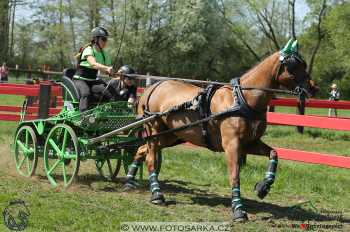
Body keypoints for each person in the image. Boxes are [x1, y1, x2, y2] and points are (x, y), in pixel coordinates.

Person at [73, 26, 115, 111]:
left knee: (108, 91)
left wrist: (111, 72)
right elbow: (93, 64)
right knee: (86, 93)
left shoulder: (104, 54)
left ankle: (109, 112)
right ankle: (84, 117)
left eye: (106, 40)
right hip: (80, 80)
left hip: (92, 81)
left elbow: (106, 70)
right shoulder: (88, 50)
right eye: (103, 39)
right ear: (95, 39)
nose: (105, 42)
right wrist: (107, 68)